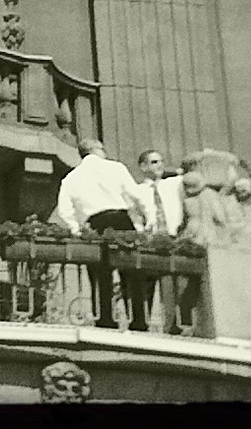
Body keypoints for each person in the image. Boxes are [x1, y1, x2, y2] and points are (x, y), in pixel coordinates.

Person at [52, 137, 147, 329]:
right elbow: (137, 195)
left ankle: (104, 320)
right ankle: (138, 320)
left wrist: (76, 229)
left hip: (95, 223)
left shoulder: (71, 177)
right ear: (97, 149)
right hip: (121, 219)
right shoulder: (116, 167)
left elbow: (64, 211)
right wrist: (147, 221)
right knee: (131, 271)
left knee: (100, 273)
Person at [133, 149, 185, 333]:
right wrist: (142, 233)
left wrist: (170, 171)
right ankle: (141, 327)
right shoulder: (137, 191)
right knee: (146, 287)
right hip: (150, 240)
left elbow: (187, 173)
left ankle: (173, 327)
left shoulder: (172, 184)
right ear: (143, 166)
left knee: (169, 286)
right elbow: (135, 217)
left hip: (171, 239)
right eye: (154, 162)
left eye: (161, 161)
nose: (160, 165)